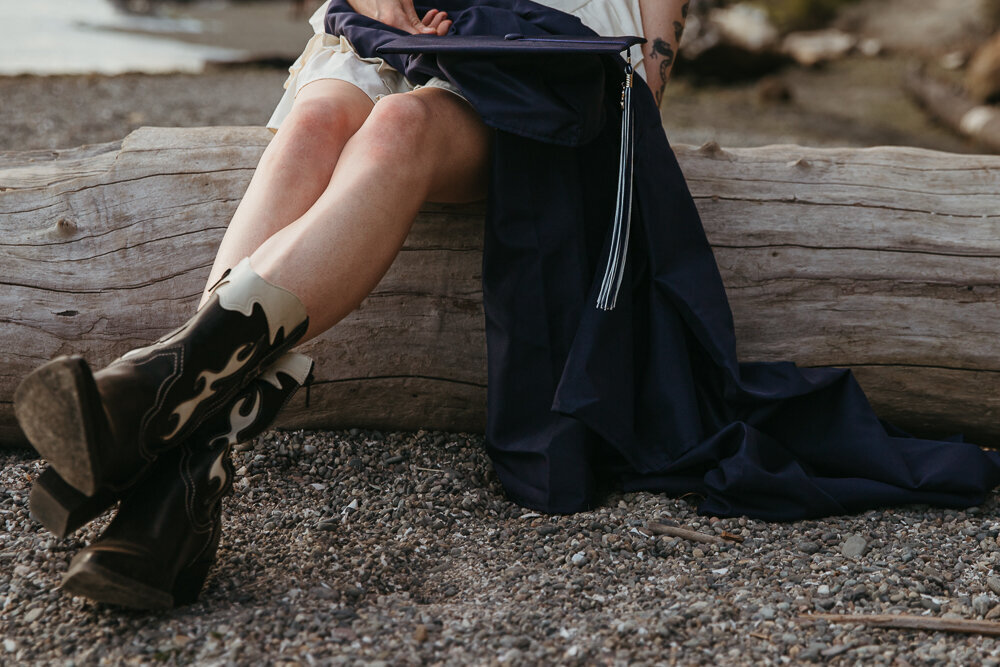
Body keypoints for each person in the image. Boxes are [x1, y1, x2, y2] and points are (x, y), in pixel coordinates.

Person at [14, 0, 691, 609]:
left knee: (400, 125)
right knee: (312, 125)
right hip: (399, 24)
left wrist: (628, 80)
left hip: (544, 53)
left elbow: (656, 46)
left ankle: (151, 401)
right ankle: (180, 479)